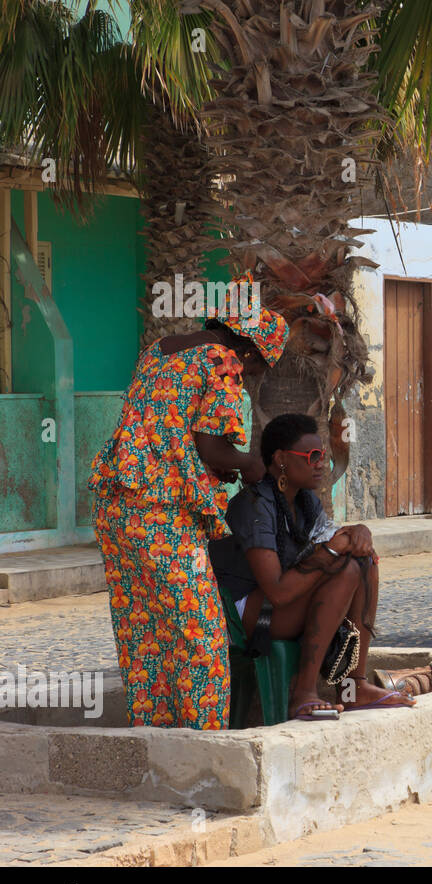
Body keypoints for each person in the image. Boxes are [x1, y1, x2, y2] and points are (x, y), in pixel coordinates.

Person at [88, 283, 288, 728]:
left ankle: (155, 739)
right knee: (201, 634)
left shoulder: (160, 349)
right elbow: (213, 450)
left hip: (114, 502)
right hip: (160, 511)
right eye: (256, 368)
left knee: (144, 630)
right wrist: (252, 466)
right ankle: (203, 745)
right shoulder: (224, 361)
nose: (248, 375)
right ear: (251, 352)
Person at [209, 414, 414, 719]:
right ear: (280, 460)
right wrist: (333, 549)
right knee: (343, 569)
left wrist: (359, 534)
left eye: (323, 456)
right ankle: (303, 693)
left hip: (288, 600)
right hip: (253, 618)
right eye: (312, 456)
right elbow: (277, 591)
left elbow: (335, 543)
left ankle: (354, 685)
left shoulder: (305, 502)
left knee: (363, 560)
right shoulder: (254, 506)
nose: (321, 463)